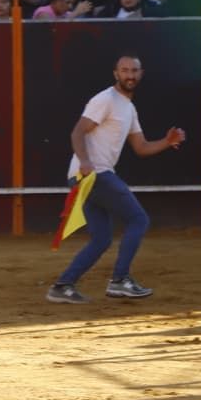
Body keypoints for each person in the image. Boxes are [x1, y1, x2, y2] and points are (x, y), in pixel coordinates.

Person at [46, 55, 186, 304]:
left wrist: (167, 142)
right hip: (94, 173)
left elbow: (141, 147)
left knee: (101, 239)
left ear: (141, 74)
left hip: (92, 175)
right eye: (125, 70)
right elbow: (78, 130)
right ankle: (120, 280)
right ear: (115, 73)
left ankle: (62, 286)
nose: (129, 75)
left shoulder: (128, 108)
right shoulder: (105, 99)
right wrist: (85, 161)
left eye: (134, 70)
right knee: (138, 219)